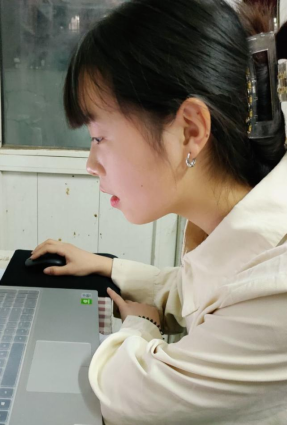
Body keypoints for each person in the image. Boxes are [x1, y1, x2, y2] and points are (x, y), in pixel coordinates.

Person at [31, 0, 287, 423]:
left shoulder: (275, 292)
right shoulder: (236, 230)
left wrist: (141, 325)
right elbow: (195, 292)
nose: (91, 164)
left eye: (99, 137)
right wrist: (107, 266)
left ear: (190, 130)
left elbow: (126, 399)